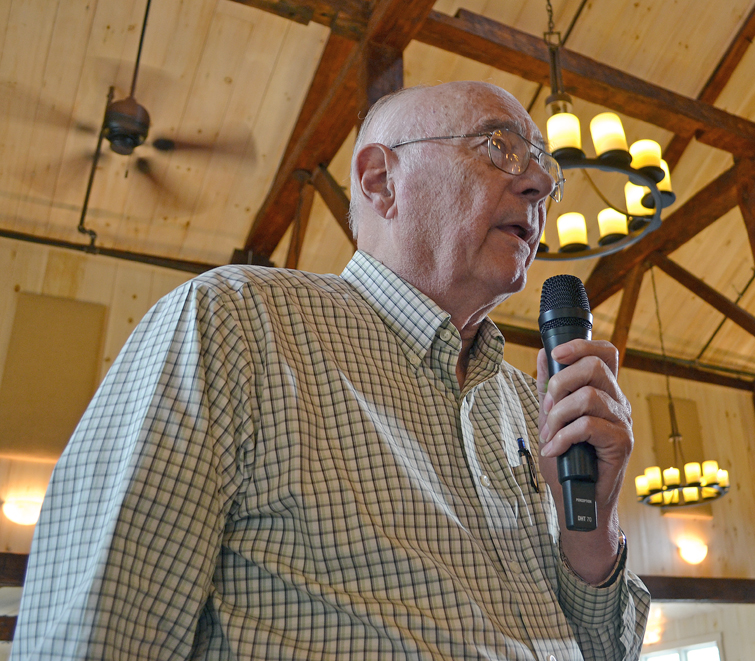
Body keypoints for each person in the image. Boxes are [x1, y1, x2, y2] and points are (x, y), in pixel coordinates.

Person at [12, 81, 649, 660]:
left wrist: (590, 527)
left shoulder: (533, 400)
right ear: (379, 180)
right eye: (498, 146)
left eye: (545, 166)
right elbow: (93, 634)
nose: (538, 182)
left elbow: (598, 651)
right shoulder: (237, 322)